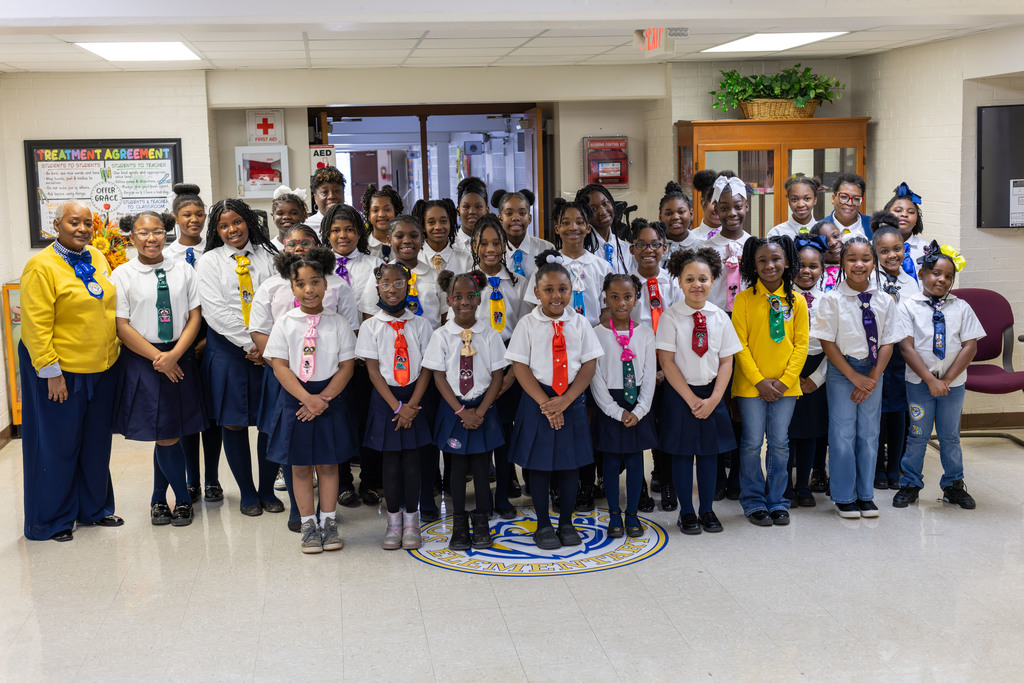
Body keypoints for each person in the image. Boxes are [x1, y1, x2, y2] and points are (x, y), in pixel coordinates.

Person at [20, 201, 122, 541]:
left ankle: (94, 509)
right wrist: (51, 373)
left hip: (101, 368)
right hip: (62, 373)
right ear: (56, 225)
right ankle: (52, 520)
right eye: (74, 222)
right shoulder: (41, 266)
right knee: (57, 447)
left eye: (88, 223)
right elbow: (35, 326)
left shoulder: (97, 256)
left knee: (96, 445)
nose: (82, 229)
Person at [112, 211, 206, 527]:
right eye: (143, 232)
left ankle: (158, 498)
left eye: (157, 231)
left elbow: (195, 316)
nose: (151, 238)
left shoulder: (183, 269)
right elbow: (121, 325)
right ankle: (181, 499)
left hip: (180, 355)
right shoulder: (122, 274)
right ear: (132, 237)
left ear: (166, 233)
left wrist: (175, 355)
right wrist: (159, 358)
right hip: (144, 359)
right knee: (164, 433)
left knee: (167, 431)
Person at [505, 250, 602, 549]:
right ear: (537, 293)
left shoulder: (580, 323)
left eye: (563, 289)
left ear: (572, 291)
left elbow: (589, 365)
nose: (556, 296)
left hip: (571, 400)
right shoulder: (527, 324)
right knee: (539, 465)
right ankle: (544, 525)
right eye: (548, 290)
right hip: (537, 401)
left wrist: (566, 400)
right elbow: (520, 366)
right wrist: (546, 404)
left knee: (569, 465)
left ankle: (566, 523)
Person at [263, 248, 358, 553]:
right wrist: (307, 399)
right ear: (292, 288)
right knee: (300, 466)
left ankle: (329, 523)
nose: (309, 289)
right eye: (301, 284)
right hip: (296, 400)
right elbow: (279, 365)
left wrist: (323, 399)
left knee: (329, 465)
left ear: (326, 284)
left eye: (315, 281)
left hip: (331, 399)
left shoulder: (338, 323)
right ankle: (308, 525)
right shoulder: (285, 322)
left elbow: (347, 367)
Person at [196, 198, 283, 516]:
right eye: (223, 225)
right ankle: (247, 492)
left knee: (269, 422)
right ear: (216, 231)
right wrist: (252, 344)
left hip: (270, 351)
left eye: (237, 221)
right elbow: (215, 311)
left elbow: (280, 300)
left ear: (248, 221)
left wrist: (267, 346)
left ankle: (267, 490)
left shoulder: (270, 255)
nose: (232, 229)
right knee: (233, 423)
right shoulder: (209, 261)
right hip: (228, 351)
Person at [811, 236, 901, 519]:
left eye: (865, 259)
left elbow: (888, 341)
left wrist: (872, 378)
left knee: (869, 433)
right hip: (843, 371)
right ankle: (844, 496)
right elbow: (827, 342)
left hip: (874, 370)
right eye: (851, 259)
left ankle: (865, 494)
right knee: (842, 433)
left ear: (874, 263)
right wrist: (853, 376)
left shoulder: (885, 300)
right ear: (841, 263)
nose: (859, 264)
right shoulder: (831, 299)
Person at [657, 248, 741, 534]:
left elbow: (727, 361)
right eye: (690, 279)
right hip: (681, 395)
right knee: (682, 455)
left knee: (709, 455)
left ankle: (707, 509)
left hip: (712, 394)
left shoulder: (720, 317)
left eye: (703, 279)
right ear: (679, 282)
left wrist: (715, 398)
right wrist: (692, 398)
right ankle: (687, 513)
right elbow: (667, 362)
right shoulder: (670, 317)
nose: (697, 284)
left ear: (714, 280)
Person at [894, 241, 983, 510]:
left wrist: (945, 381)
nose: (942, 279)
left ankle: (953, 485)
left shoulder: (962, 307)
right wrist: (931, 380)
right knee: (918, 435)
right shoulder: (908, 307)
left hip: (952, 385)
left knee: (950, 436)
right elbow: (907, 348)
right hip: (919, 383)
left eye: (948, 276)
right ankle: (910, 484)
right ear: (922, 274)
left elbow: (970, 347)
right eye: (936, 273)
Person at [423, 270, 507, 550]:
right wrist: (461, 411)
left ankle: (481, 521)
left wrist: (479, 412)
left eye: (470, 296)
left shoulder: (491, 335)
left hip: (483, 408)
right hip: (454, 410)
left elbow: (497, 377)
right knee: (456, 469)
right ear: (448, 300)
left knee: (482, 469)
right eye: (457, 297)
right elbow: (438, 377)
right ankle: (459, 522)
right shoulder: (441, 336)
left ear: (479, 298)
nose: (464, 302)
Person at [731, 236, 809, 527]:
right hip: (751, 386)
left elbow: (801, 345)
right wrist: (759, 381)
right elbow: (739, 345)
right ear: (753, 265)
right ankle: (753, 501)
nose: (769, 265)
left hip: (786, 388)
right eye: (762, 260)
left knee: (779, 444)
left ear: (787, 262)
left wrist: (785, 381)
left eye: (776, 259)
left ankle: (777, 500)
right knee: (752, 443)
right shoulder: (744, 299)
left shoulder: (798, 301)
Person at [355, 263, 434, 550]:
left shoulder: (422, 325)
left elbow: (427, 368)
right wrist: (397, 407)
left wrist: (411, 405)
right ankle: (393, 522)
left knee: (412, 462)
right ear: (377, 288)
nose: (392, 289)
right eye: (385, 284)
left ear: (407, 286)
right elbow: (372, 370)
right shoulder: (370, 326)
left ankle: (412, 521)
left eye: (399, 283)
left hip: (415, 398)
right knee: (389, 463)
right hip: (386, 399)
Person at [320, 203, 384, 507]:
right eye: (335, 230)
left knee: (367, 420)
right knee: (338, 421)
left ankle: (370, 481)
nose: (342, 235)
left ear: (360, 233)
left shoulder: (374, 264)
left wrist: (361, 349)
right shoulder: (320, 268)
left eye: (349, 229)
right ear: (326, 234)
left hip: (365, 356)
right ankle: (343, 482)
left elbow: (377, 310)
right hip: (330, 360)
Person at [163, 182, 223, 504]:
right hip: (179, 341)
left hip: (213, 337)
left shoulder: (214, 252)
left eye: (200, 214)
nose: (194, 219)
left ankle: (212, 478)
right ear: (175, 218)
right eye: (187, 214)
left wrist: (208, 340)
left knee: (211, 414)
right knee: (185, 413)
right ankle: (191, 480)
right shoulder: (165, 255)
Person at [592, 274, 658, 538]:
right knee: (609, 462)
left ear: (636, 299)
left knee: (634, 460)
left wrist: (640, 410)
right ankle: (614, 515)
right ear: (605, 299)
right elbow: (595, 379)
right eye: (615, 297)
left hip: (637, 403)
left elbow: (649, 376)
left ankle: (632, 514)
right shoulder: (596, 334)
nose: (621, 303)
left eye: (627, 297)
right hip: (609, 405)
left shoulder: (645, 334)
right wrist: (616, 411)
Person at [629, 218, 680, 511]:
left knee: (666, 422)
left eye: (655, 244)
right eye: (642, 244)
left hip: (669, 361)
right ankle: (639, 487)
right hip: (634, 363)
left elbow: (679, 326)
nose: (649, 250)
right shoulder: (625, 283)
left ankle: (666, 479)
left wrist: (664, 368)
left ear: (664, 248)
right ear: (632, 249)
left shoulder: (674, 282)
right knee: (639, 421)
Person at [872, 215, 920, 490]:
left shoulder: (910, 282)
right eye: (884, 251)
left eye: (897, 249)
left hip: (903, 355)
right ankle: (878, 465)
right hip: (878, 352)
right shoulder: (870, 280)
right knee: (878, 409)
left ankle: (895, 466)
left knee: (899, 409)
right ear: (876, 253)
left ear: (904, 249)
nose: (892, 255)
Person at [788, 235, 830, 507]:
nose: (806, 271)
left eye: (813, 266)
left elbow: (835, 345)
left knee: (810, 430)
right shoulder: (781, 299)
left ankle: (803, 484)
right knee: (786, 432)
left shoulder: (829, 301)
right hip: (787, 369)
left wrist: (817, 378)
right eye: (800, 265)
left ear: (822, 269)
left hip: (817, 370)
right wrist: (789, 374)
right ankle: (783, 484)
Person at [525, 198, 610, 328]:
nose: (573, 227)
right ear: (557, 229)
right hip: (555, 334)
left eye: (579, 222)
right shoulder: (545, 267)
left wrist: (591, 334)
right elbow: (537, 305)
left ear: (588, 228)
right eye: (566, 223)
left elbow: (607, 308)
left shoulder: (602, 267)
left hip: (594, 334)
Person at [701, 176, 751, 313]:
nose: (732, 213)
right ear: (716, 210)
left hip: (748, 314)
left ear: (746, 206)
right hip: (715, 314)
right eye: (724, 208)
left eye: (738, 207)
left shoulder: (754, 246)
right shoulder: (705, 249)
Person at [492, 188, 552, 281]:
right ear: (500, 218)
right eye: (509, 213)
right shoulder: (493, 251)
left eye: (522, 213)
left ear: (529, 218)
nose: (516, 218)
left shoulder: (546, 248)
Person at [576, 184, 635, 274]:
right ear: (584, 215)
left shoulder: (625, 249)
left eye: (605, 203)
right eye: (594, 209)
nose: (603, 212)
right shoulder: (582, 252)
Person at [412, 198, 471, 274]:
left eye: (443, 221)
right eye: (431, 222)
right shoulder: (414, 258)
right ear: (423, 226)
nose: (438, 227)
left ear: (450, 223)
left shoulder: (465, 259)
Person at [884, 182, 927, 270]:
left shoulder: (926, 249)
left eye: (910, 212)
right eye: (898, 210)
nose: (904, 214)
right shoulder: (873, 246)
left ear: (917, 220)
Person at [658, 182, 700, 265]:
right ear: (660, 217)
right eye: (669, 213)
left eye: (681, 212)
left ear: (691, 214)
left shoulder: (701, 247)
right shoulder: (653, 247)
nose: (675, 217)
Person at [768, 175, 820, 239]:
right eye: (794, 199)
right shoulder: (777, 233)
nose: (801, 205)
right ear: (788, 201)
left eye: (807, 199)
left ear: (815, 200)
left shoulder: (824, 231)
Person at [362, 184, 403, 262]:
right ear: (369, 215)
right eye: (375, 210)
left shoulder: (405, 243)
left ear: (395, 212)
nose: (381, 215)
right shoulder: (362, 247)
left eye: (387, 210)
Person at [827, 173, 872, 240]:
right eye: (844, 197)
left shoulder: (873, 226)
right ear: (833, 199)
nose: (849, 203)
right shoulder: (819, 228)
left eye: (856, 199)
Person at [303, 165, 345, 231]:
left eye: (337, 191)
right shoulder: (306, 227)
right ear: (315, 198)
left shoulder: (355, 223)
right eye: (325, 192)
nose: (331, 196)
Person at [269, 186, 309, 251]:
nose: (286, 217)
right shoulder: (266, 250)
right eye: (280, 213)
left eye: (293, 213)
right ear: (273, 218)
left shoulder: (310, 247)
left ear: (303, 216)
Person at [454, 177, 488, 252]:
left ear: (487, 210)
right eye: (466, 207)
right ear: (458, 210)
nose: (472, 211)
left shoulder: (498, 245)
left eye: (478, 207)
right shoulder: (450, 246)